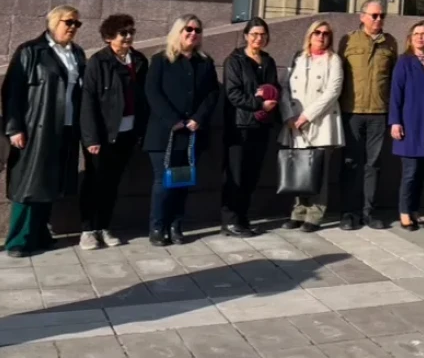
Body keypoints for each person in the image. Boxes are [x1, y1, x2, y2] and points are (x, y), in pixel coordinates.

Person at [2, 6, 87, 258]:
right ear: (52, 22)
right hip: (36, 126)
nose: (72, 27)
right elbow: (12, 91)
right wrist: (14, 127)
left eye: (77, 24)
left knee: (51, 182)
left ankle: (40, 233)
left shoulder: (77, 54)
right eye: (68, 22)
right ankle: (18, 240)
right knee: (28, 183)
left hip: (67, 127)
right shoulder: (30, 51)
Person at [144, 15, 219, 246]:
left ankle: (176, 225)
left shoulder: (205, 62)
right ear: (178, 31)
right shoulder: (160, 60)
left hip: (192, 133)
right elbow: (152, 92)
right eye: (188, 29)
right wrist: (172, 120)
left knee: (182, 182)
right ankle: (157, 227)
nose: (193, 34)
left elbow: (212, 94)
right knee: (163, 182)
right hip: (164, 133)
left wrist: (198, 118)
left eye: (197, 30)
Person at [79, 14, 148, 250]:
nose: (128, 37)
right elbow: (87, 100)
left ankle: (104, 226)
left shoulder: (138, 60)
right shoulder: (98, 61)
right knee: (95, 182)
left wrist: (140, 130)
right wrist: (91, 138)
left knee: (112, 183)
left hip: (127, 133)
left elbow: (142, 98)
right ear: (109, 37)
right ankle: (89, 229)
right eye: (123, 33)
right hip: (103, 134)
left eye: (131, 32)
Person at [337, 0, 398, 230]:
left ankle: (369, 212)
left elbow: (393, 79)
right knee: (350, 163)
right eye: (374, 15)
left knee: (373, 164)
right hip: (351, 112)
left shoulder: (390, 42)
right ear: (362, 16)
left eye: (382, 15)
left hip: (379, 113)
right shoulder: (348, 40)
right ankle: (348, 213)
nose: (378, 19)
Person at [280, 20, 345, 231]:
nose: (321, 36)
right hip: (295, 123)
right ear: (309, 35)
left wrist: (306, 116)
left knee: (318, 170)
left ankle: (314, 215)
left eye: (326, 33)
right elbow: (285, 87)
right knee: (299, 169)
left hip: (321, 123)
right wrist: (290, 115)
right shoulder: (298, 58)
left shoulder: (333, 60)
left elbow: (332, 92)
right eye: (317, 32)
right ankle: (297, 212)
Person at [220, 18, 279, 237]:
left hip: (262, 125)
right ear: (245, 35)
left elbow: (274, 87)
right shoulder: (234, 60)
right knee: (235, 173)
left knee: (251, 175)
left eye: (262, 34)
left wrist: (272, 101)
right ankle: (230, 220)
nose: (258, 38)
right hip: (240, 124)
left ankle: (243, 217)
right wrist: (258, 103)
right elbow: (233, 93)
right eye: (254, 34)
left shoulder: (268, 61)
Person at [389, 21, 424, 231]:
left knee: (422, 173)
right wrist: (395, 121)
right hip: (410, 124)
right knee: (410, 172)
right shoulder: (404, 61)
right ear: (410, 38)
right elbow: (396, 93)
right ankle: (404, 213)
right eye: (417, 34)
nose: (421, 37)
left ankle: (415, 210)